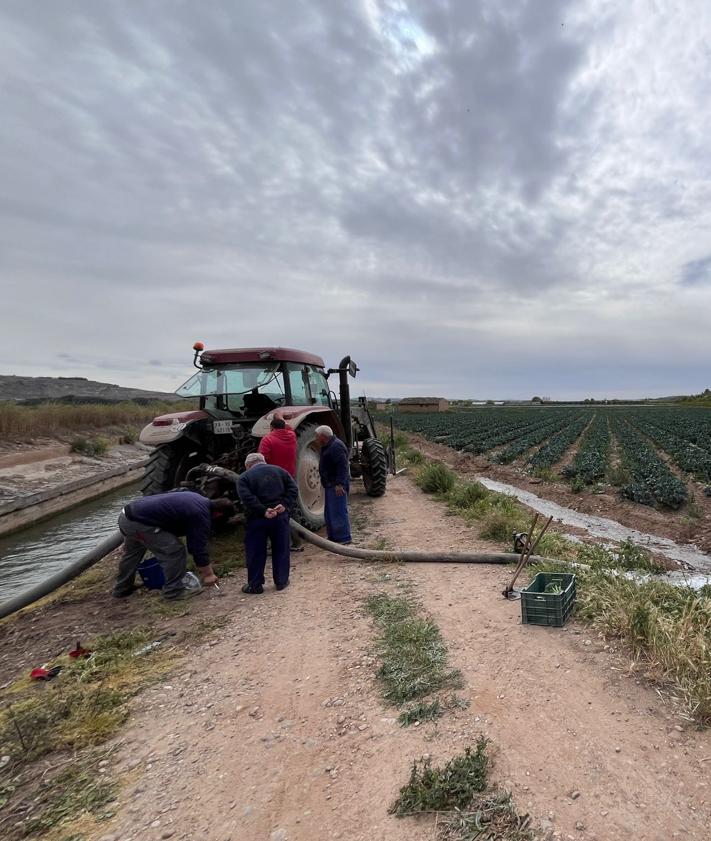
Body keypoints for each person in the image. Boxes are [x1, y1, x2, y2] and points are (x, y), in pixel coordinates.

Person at [113, 491, 236, 600]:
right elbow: (197, 546)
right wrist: (208, 574)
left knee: (133, 552)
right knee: (174, 551)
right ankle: (173, 591)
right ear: (219, 514)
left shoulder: (197, 498)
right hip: (139, 523)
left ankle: (122, 588)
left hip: (128, 516)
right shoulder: (201, 514)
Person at [236, 452, 298, 594]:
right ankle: (281, 581)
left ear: (247, 465)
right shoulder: (280, 471)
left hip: (257, 519)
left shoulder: (244, 478)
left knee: (255, 552)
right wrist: (285, 505)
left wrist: (263, 510)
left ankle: (255, 585)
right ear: (263, 461)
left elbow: (247, 499)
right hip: (280, 516)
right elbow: (293, 489)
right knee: (281, 549)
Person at [258, 416, 302, 550]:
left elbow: (261, 459)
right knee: (290, 508)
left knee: (274, 510)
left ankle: (279, 544)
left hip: (274, 479)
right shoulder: (292, 435)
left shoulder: (267, 439)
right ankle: (296, 543)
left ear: (271, 428)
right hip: (290, 477)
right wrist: (281, 418)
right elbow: (287, 427)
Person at [315, 425, 351, 544]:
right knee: (330, 512)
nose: (316, 439)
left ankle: (343, 538)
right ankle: (333, 538)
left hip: (336, 485)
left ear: (323, 437)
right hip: (330, 484)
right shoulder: (328, 445)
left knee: (338, 511)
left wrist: (340, 484)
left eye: (317, 436)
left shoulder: (336, 447)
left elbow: (342, 467)